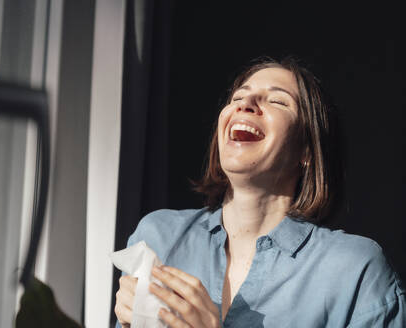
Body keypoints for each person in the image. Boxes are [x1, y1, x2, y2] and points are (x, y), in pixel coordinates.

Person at [114, 56, 406, 327]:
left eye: (278, 101)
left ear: (307, 149)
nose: (247, 102)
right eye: (238, 97)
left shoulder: (354, 270)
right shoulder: (158, 237)